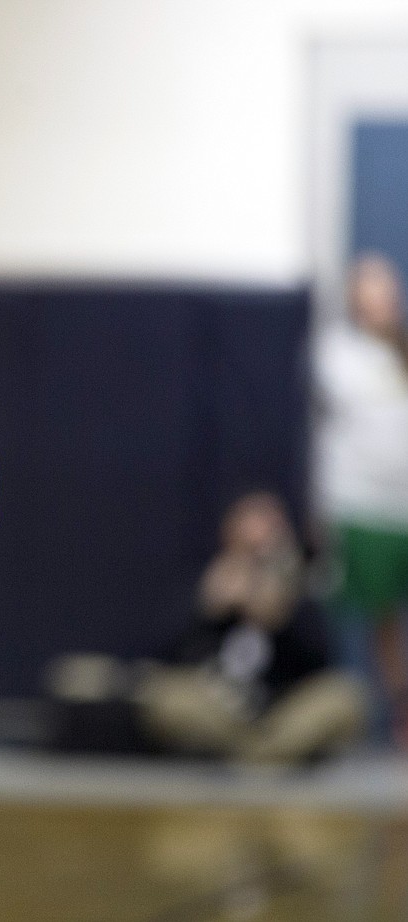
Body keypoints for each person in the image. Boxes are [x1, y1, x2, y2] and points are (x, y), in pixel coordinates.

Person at [132, 490, 367, 765]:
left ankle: (257, 757)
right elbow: (170, 659)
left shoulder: (303, 591)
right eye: (249, 549)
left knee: (346, 697)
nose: (257, 562)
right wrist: (210, 612)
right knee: (162, 695)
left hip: (282, 714)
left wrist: (281, 621)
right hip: (220, 712)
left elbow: (322, 664)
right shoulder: (210, 583)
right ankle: (259, 759)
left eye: (266, 550)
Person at [313, 253, 408, 749]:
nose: (380, 295)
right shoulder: (335, 355)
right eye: (369, 286)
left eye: (386, 285)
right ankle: (396, 713)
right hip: (362, 508)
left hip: (406, 507)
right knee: (381, 617)